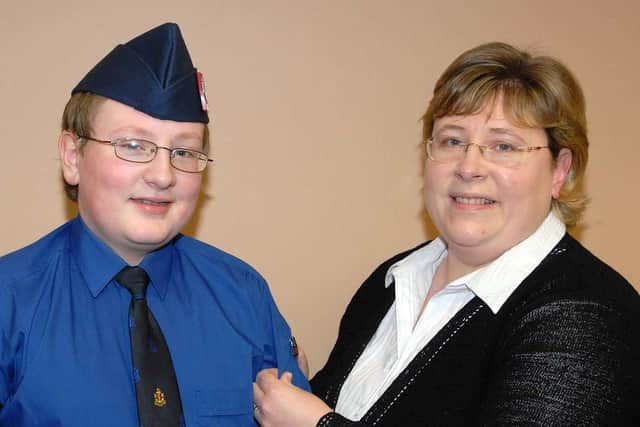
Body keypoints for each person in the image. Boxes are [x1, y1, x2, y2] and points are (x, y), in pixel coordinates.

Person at [252, 41, 640, 426]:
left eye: (504, 146)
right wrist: (307, 389)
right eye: (452, 140)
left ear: (559, 170)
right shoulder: (392, 281)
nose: (469, 166)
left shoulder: (588, 316)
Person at [0, 22, 308, 426]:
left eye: (183, 151)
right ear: (73, 157)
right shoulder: (10, 302)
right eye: (133, 145)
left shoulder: (243, 295)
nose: (163, 175)